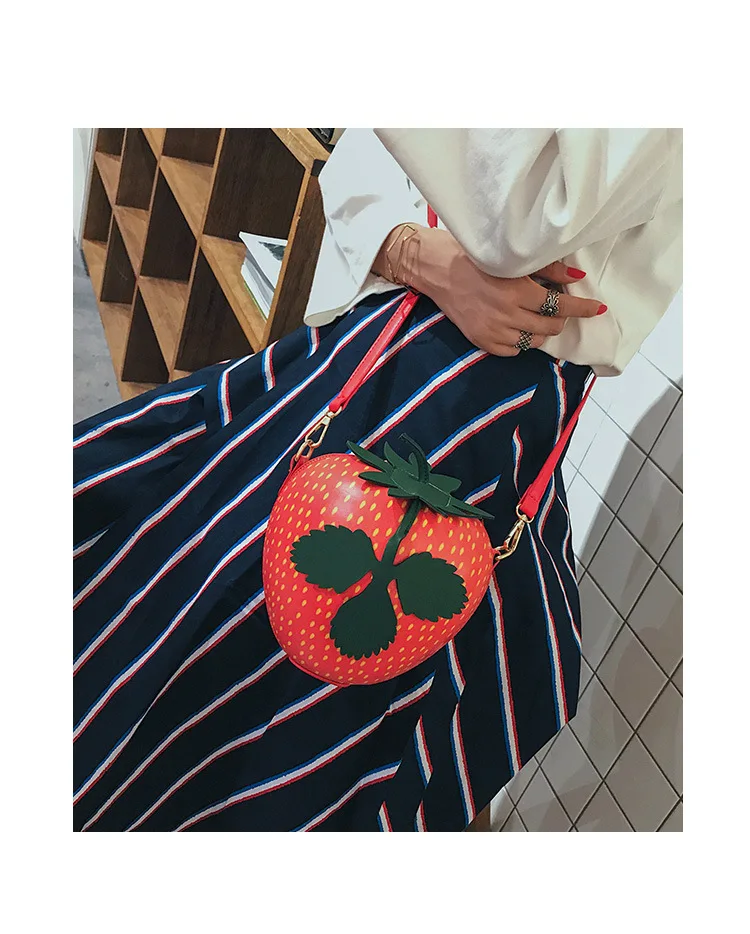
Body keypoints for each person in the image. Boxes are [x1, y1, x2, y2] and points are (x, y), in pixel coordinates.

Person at [73, 128, 682, 832]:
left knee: (255, 675)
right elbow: (357, 161)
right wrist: (417, 253)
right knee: (193, 622)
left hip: (472, 409)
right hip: (379, 344)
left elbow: (525, 217)